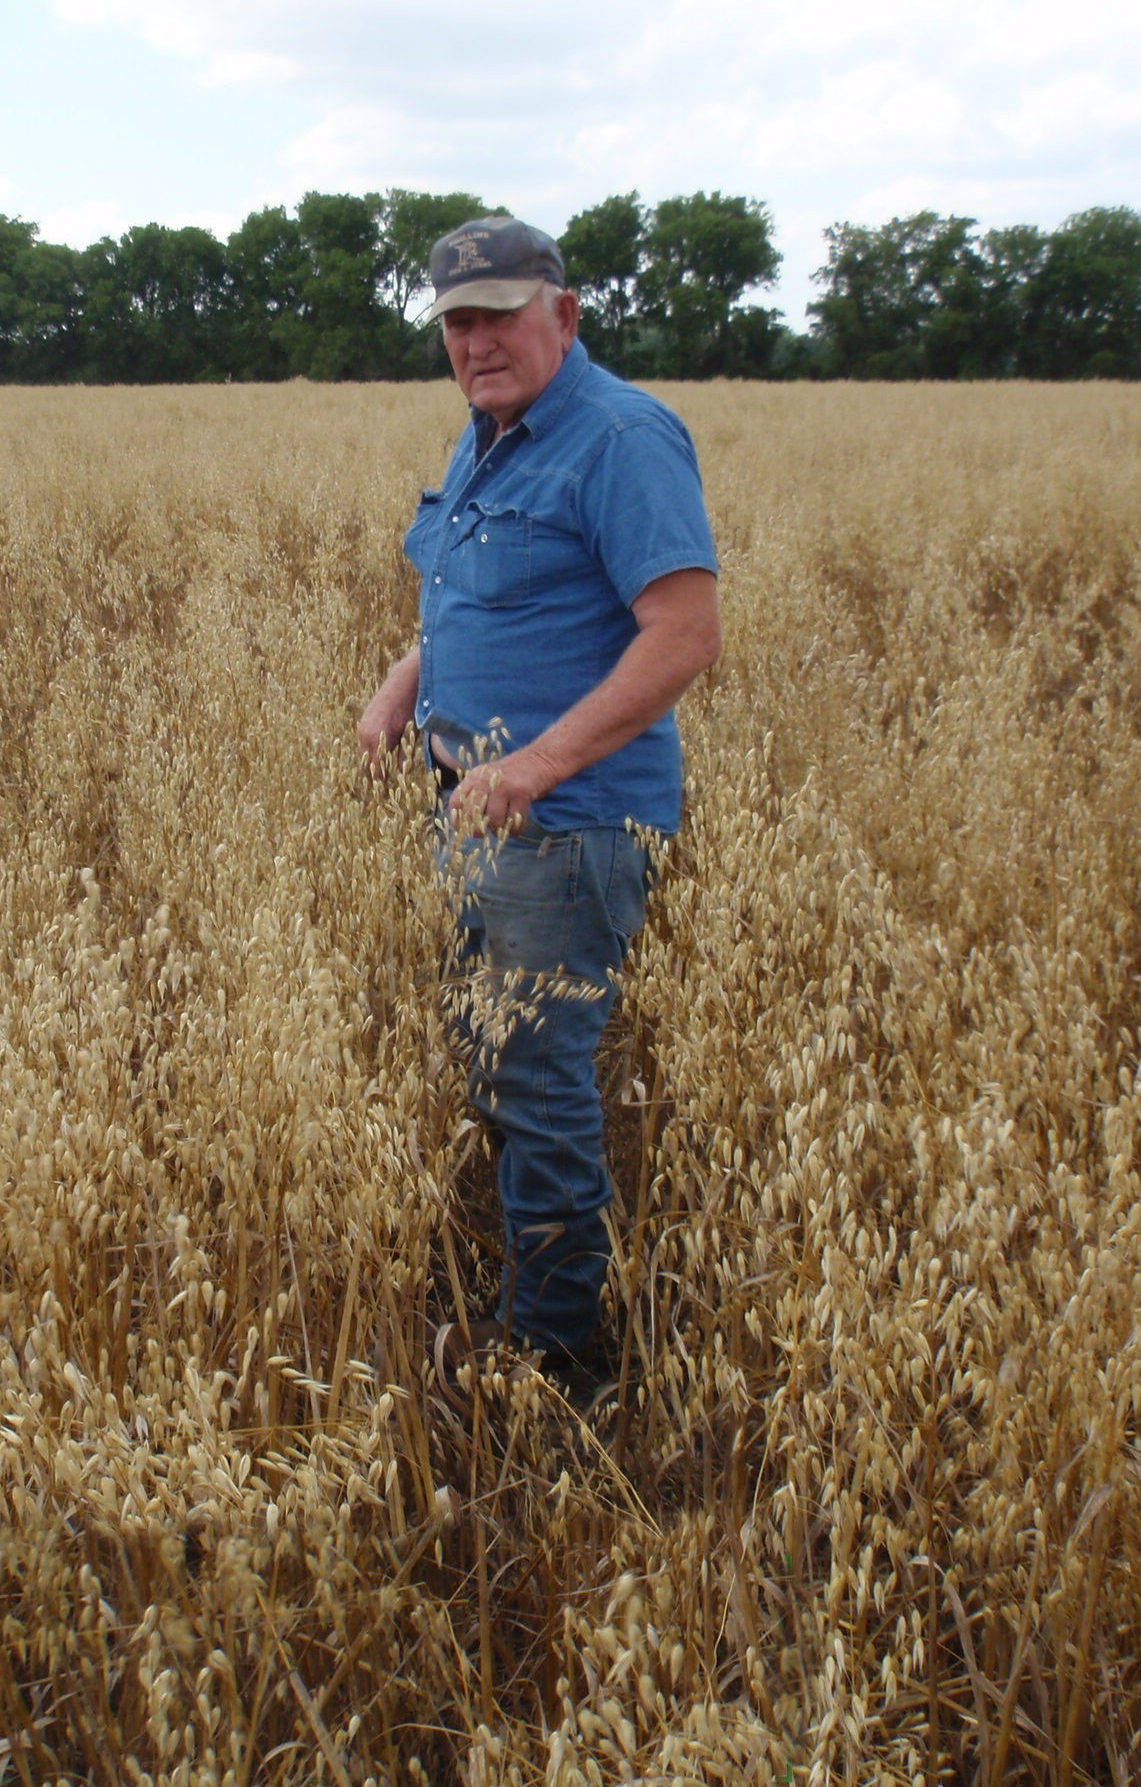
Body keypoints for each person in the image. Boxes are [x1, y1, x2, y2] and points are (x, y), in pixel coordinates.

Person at [356, 214, 721, 1409]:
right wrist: (406, 687)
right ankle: (527, 1294)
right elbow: (472, 595)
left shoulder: (619, 437)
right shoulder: (485, 440)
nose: (474, 341)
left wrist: (533, 770)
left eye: (498, 314)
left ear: (563, 313)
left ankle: (558, 1360)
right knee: (491, 1060)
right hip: (471, 807)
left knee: (540, 1082)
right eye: (455, 322)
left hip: (560, 830)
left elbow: (684, 637)